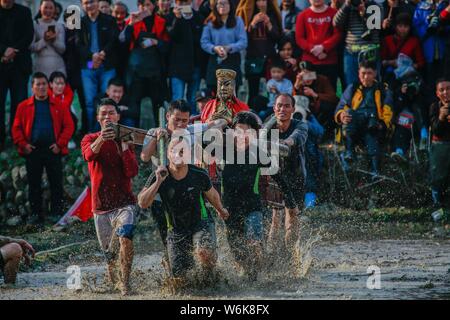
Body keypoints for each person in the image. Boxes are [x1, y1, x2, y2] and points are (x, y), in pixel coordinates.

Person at [140, 100, 227, 262]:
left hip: (188, 190)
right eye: (176, 119)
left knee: (199, 240)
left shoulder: (191, 130)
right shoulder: (154, 131)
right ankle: (173, 269)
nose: (180, 124)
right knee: (169, 240)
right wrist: (157, 137)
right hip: (162, 193)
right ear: (168, 116)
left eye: (184, 120)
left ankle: (204, 270)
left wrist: (213, 130)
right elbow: (145, 157)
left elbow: (221, 121)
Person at [138, 137, 229, 285]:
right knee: (181, 280)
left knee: (204, 253)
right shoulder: (159, 175)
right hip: (176, 229)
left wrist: (221, 209)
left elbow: (211, 194)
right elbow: (142, 202)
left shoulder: (199, 173)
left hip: (201, 222)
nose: (178, 154)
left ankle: (213, 281)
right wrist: (158, 182)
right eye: (174, 150)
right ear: (168, 154)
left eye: (182, 151)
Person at [81, 98, 139, 296]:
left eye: (111, 113)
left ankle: (127, 283)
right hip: (101, 207)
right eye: (103, 114)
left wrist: (123, 145)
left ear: (118, 116)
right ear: (98, 118)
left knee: (125, 238)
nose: (108, 117)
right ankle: (115, 282)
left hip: (125, 204)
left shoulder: (126, 139)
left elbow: (132, 171)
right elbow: (89, 155)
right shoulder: (89, 138)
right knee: (110, 256)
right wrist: (102, 139)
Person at [12, 72, 75, 224]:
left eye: (44, 84)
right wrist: (23, 144)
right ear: (32, 87)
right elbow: (16, 128)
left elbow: (69, 126)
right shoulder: (23, 106)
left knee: (56, 183)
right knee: (34, 184)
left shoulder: (59, 105)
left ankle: (57, 213)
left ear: (48, 86)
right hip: (32, 151)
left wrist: (60, 144)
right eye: (38, 84)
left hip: (53, 150)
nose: (41, 87)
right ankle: (36, 215)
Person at [220, 111, 268, 281]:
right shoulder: (222, 149)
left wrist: (290, 202)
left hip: (252, 206)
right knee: (237, 250)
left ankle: (261, 276)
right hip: (229, 208)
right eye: (238, 131)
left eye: (247, 132)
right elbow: (202, 143)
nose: (242, 136)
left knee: (254, 242)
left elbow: (277, 175)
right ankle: (248, 274)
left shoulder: (259, 153)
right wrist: (219, 125)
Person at [266, 93, 308, 259]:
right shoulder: (268, 125)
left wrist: (285, 143)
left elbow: (297, 137)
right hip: (275, 176)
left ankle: (291, 256)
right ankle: (271, 257)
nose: (282, 109)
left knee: (293, 214)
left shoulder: (300, 125)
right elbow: (258, 137)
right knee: (275, 217)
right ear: (274, 108)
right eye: (279, 106)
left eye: (286, 106)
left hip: (296, 176)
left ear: (292, 109)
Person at [334, 60, 394, 176]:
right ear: (358, 73)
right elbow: (340, 107)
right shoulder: (352, 88)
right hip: (354, 126)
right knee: (350, 112)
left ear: (375, 73)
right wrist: (342, 116)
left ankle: (375, 171)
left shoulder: (383, 89)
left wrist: (383, 124)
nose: (366, 77)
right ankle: (349, 153)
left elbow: (388, 110)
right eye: (363, 73)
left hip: (373, 127)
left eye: (369, 73)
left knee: (372, 131)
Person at [120, 0, 170, 127]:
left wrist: (156, 42)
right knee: (134, 105)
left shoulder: (161, 22)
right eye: (142, 5)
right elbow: (123, 42)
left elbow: (168, 46)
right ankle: (134, 138)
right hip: (136, 72)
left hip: (155, 73)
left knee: (157, 105)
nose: (144, 8)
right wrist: (131, 24)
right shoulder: (132, 20)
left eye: (148, 5)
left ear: (154, 6)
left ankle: (160, 135)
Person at [79, 0, 120, 132]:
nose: (89, 5)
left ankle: (108, 132)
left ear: (97, 2)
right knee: (90, 103)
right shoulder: (79, 22)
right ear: (82, 5)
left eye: (91, 2)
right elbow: (77, 44)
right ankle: (92, 133)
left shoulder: (109, 20)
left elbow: (114, 40)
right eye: (85, 3)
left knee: (107, 101)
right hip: (89, 65)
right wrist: (92, 56)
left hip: (106, 65)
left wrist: (103, 53)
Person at [0, 0, 34, 151]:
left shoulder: (24, 11)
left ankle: (17, 138)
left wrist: (13, 51)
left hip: (19, 66)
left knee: (19, 104)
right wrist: (4, 50)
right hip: (1, 64)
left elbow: (28, 35)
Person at [237, 0, 282, 104]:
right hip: (253, 58)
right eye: (259, 1)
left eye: (264, 0)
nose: (262, 3)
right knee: (253, 90)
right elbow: (242, 38)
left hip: (269, 58)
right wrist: (252, 23)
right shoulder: (248, 14)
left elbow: (278, 37)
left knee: (271, 90)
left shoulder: (272, 14)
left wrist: (269, 24)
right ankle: (253, 114)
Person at [333, 0, 384, 87]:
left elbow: (375, 28)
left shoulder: (376, 6)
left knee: (372, 84)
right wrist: (347, 4)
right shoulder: (348, 6)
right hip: (351, 52)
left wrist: (364, 14)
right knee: (351, 85)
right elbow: (336, 23)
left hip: (370, 52)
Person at [167, 0, 206, 114]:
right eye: (181, 2)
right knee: (177, 100)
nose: (184, 4)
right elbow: (173, 36)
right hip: (177, 66)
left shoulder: (198, 17)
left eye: (186, 1)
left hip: (195, 64)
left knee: (193, 100)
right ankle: (174, 127)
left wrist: (190, 18)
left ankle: (192, 128)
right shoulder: (171, 16)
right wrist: (178, 18)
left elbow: (200, 39)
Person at [201, 0, 248, 91]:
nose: (222, 6)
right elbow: (204, 42)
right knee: (214, 94)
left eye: (225, 3)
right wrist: (214, 48)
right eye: (219, 3)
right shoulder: (210, 22)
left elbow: (243, 41)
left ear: (230, 5)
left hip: (232, 60)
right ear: (215, 6)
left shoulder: (238, 21)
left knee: (232, 95)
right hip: (215, 60)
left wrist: (229, 47)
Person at [295, 0, 341, 89]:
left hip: (329, 61)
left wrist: (324, 48)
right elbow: (299, 38)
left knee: (329, 90)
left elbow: (338, 34)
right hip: (309, 64)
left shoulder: (334, 13)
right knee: (309, 89)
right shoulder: (302, 15)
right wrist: (313, 49)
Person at [413, 0, 450, 105]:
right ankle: (432, 113)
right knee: (429, 85)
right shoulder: (421, 6)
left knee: (446, 83)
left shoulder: (446, 4)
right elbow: (415, 28)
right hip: (428, 52)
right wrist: (427, 24)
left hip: (445, 51)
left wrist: (444, 28)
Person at [381, 12, 425, 86]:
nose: (402, 29)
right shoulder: (387, 40)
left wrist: (408, 66)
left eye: (406, 26)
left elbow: (421, 63)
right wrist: (391, 62)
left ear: (410, 28)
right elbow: (382, 61)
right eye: (400, 26)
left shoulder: (414, 41)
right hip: (390, 77)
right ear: (395, 27)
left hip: (408, 78)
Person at [293, 61, 338, 132]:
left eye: (310, 75)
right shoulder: (299, 82)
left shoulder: (323, 79)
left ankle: (325, 132)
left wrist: (315, 94)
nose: (307, 78)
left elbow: (334, 98)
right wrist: (296, 86)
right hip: (305, 113)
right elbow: (293, 101)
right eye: (304, 75)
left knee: (327, 106)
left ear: (314, 74)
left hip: (318, 112)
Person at [30, 0, 66, 79]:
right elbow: (31, 48)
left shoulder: (59, 26)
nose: (48, 10)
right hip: (40, 67)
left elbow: (63, 49)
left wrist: (54, 41)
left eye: (51, 8)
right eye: (45, 7)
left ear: (54, 10)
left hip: (58, 67)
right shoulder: (34, 24)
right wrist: (44, 40)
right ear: (40, 8)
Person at [429, 78, 450, 208]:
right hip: (440, 146)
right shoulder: (434, 107)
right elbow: (436, 131)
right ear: (437, 93)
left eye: (448, 89)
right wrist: (441, 118)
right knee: (437, 178)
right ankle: (437, 203)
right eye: (441, 90)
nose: (445, 92)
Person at [48, 71, 77, 149]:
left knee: (72, 117)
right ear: (51, 84)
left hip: (64, 113)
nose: (60, 86)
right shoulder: (46, 93)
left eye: (62, 83)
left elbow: (64, 107)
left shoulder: (68, 92)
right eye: (57, 84)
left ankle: (68, 138)